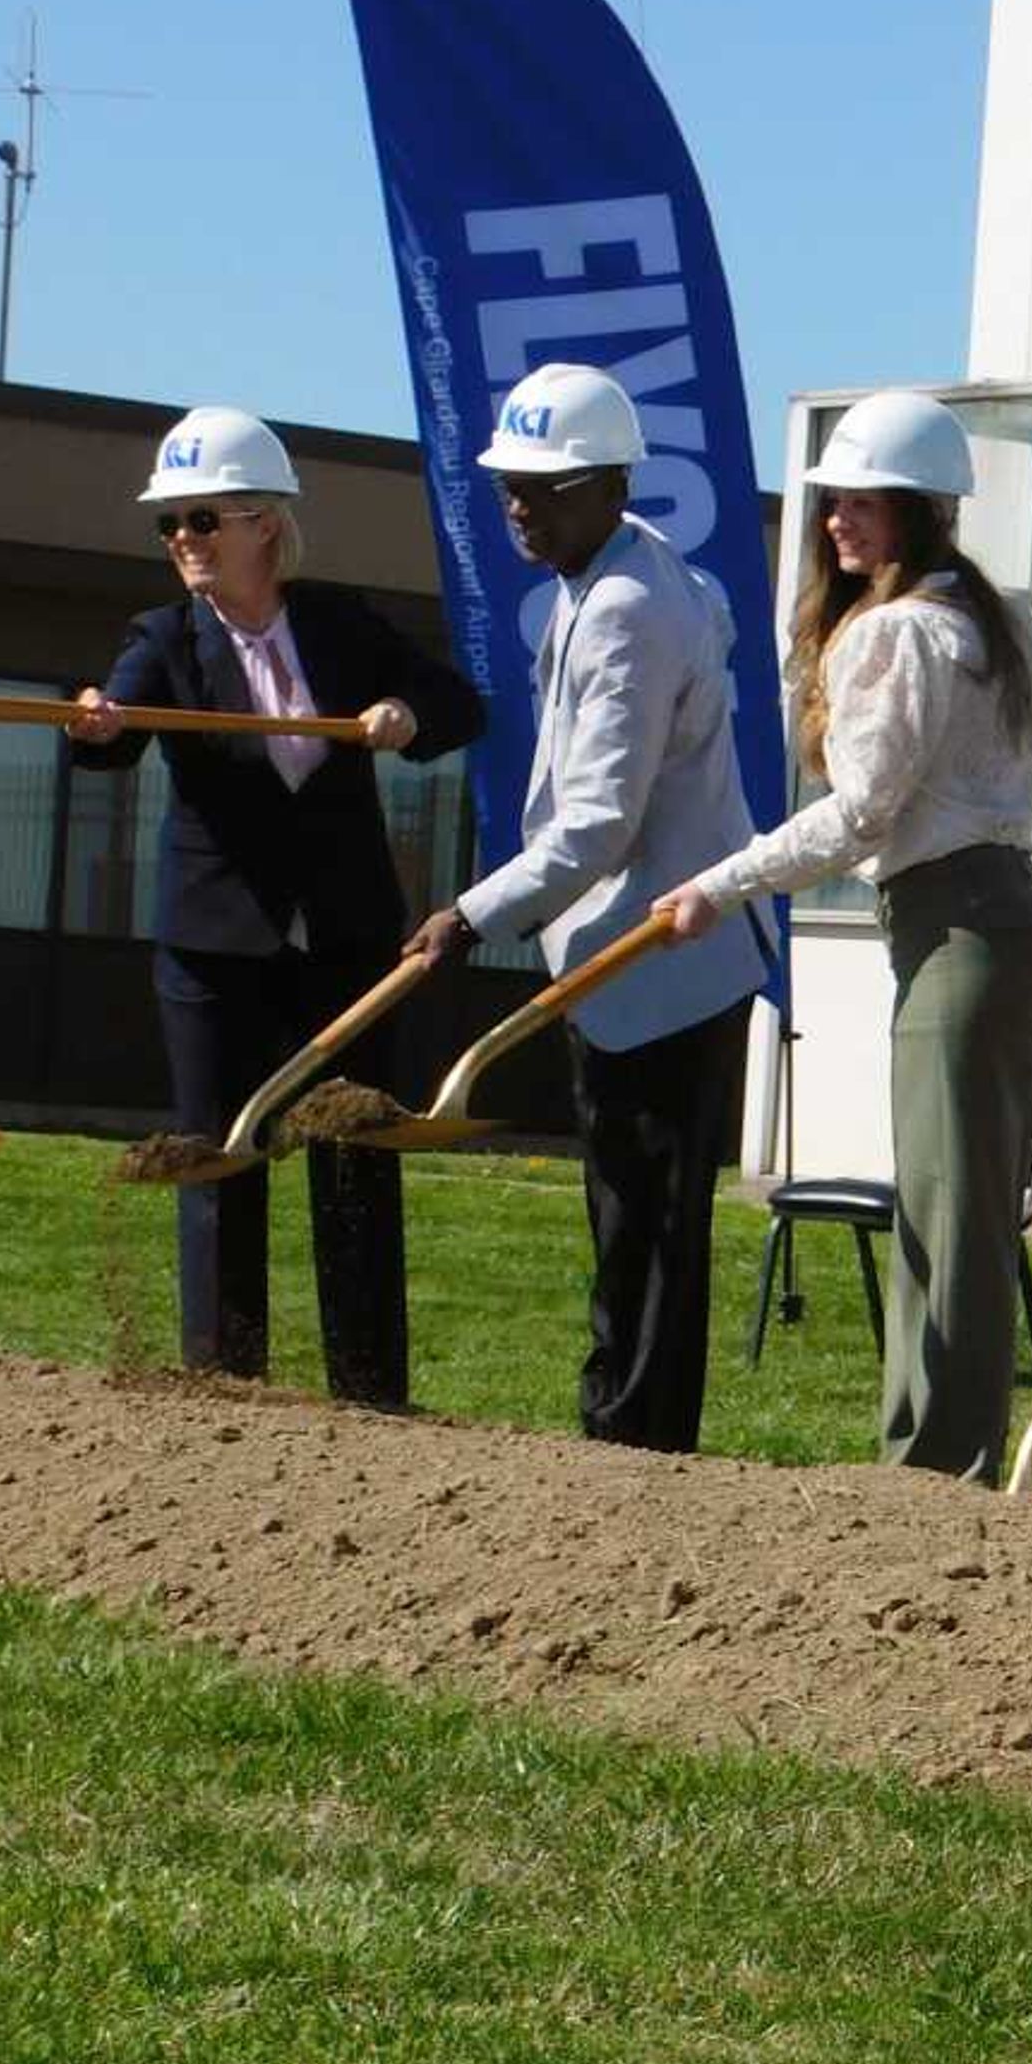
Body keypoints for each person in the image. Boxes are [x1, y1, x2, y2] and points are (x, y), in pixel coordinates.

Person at [655, 392, 1032, 1483]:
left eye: (863, 503)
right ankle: (941, 1456)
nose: (839, 521)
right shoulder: (987, 615)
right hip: (1009, 922)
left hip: (961, 930)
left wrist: (721, 881)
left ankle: (936, 1467)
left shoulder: (897, 631)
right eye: (833, 502)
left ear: (921, 513)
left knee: (948, 1221)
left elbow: (860, 812)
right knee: (959, 1213)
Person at [68, 405, 486, 1407]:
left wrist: (406, 716)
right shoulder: (161, 637)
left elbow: (460, 706)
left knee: (353, 1156)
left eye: (201, 518)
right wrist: (95, 724)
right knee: (218, 1160)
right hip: (214, 952)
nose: (181, 540)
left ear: (264, 521)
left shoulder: (340, 622)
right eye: (167, 524)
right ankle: (226, 1384)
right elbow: (115, 731)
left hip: (344, 943)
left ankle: (371, 1391)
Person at [405, 362, 774, 1455]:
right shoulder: (614, 580)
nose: (518, 504)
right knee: (625, 1217)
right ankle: (619, 1419)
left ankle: (636, 1441)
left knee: (650, 1224)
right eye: (510, 485)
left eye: (544, 486)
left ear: (612, 483)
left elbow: (599, 821)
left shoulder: (626, 606)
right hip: (625, 960)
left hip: (664, 963)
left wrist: (469, 913)